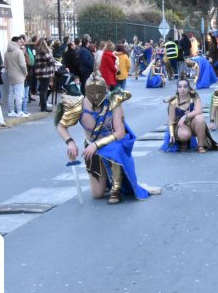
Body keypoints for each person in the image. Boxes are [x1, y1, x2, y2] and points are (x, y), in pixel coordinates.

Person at [55, 72, 154, 204]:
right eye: (91, 92)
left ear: (105, 90)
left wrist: (96, 145)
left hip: (113, 146)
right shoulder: (78, 106)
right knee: (97, 194)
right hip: (92, 150)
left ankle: (116, 189)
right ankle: (108, 179)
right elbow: (61, 126)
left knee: (115, 149)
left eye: (99, 92)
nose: (95, 96)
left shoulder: (114, 103)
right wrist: (70, 142)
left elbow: (119, 133)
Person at [161, 78, 218, 153]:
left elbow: (199, 110)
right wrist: (172, 134)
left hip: (192, 123)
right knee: (185, 135)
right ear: (177, 89)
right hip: (179, 126)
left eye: (185, 87)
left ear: (188, 88)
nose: (182, 89)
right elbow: (171, 121)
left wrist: (185, 116)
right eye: (180, 87)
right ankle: (182, 142)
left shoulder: (194, 97)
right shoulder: (173, 102)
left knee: (200, 118)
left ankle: (200, 146)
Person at [5, 37, 28, 117]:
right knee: (19, 94)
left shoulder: (6, 52)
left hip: (10, 75)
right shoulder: (19, 52)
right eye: (19, 42)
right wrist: (25, 72)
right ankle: (19, 111)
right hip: (19, 75)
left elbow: (6, 65)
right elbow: (22, 64)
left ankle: (11, 111)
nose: (21, 43)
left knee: (11, 94)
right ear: (16, 42)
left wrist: (9, 72)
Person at [34, 39, 56, 113]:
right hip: (45, 73)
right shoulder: (44, 52)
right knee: (44, 90)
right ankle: (44, 106)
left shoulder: (38, 52)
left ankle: (43, 105)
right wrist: (52, 58)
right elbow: (50, 61)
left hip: (39, 73)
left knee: (42, 89)